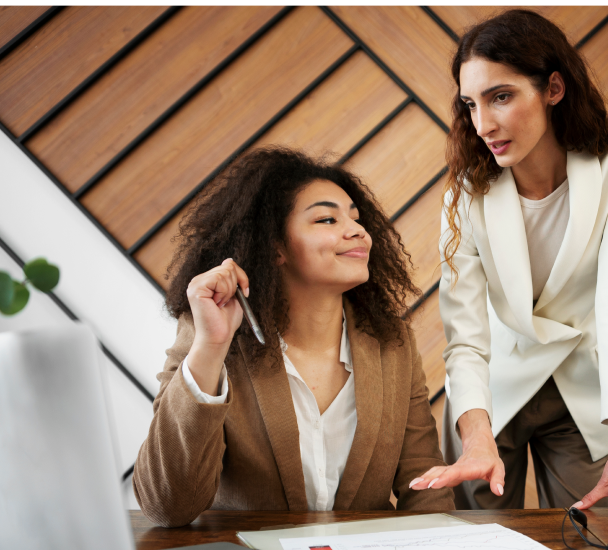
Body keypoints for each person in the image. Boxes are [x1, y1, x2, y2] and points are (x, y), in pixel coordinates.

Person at [409, 10, 608, 513]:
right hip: (489, 395)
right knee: (480, 541)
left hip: (580, 384)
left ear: (553, 88)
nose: (483, 123)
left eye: (502, 96)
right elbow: (465, 340)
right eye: (471, 104)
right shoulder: (464, 197)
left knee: (593, 534)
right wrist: (475, 438)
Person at [134, 147, 454, 527]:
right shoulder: (213, 335)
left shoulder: (392, 341)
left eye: (356, 217)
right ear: (275, 247)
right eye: (325, 219)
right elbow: (166, 506)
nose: (357, 230)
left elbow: (426, 484)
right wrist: (212, 347)